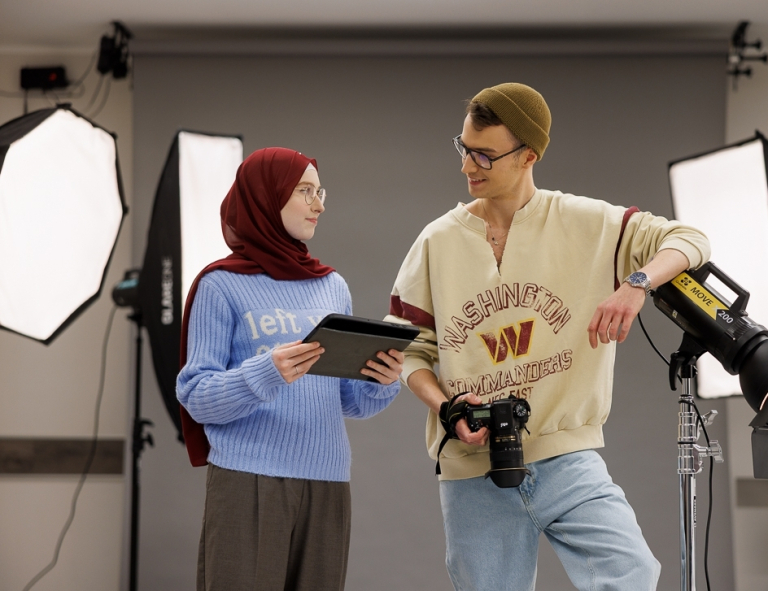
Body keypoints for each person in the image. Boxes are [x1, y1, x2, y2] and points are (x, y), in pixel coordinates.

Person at [384, 83, 710, 590]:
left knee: (631, 574)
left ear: (528, 155)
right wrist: (447, 407)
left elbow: (690, 240)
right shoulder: (437, 240)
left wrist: (635, 284)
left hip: (566, 459)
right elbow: (409, 350)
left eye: (484, 155)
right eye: (463, 148)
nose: (467, 166)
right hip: (472, 468)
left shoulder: (587, 222)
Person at [177, 147, 404, 591]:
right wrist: (265, 373)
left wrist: (381, 381)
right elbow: (196, 396)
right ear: (266, 196)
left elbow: (346, 401)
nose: (319, 204)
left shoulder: (331, 285)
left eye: (321, 192)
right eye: (305, 191)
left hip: (328, 481)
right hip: (247, 482)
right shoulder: (220, 285)